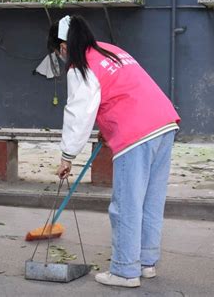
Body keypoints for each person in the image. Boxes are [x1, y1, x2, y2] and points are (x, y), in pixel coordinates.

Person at [49, 15, 180, 288]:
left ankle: (124, 270)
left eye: (57, 51)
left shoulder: (80, 66)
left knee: (127, 205)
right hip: (164, 123)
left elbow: (78, 113)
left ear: (62, 46)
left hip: (136, 133)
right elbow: (118, 91)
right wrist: (106, 126)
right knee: (150, 201)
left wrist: (67, 156)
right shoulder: (109, 50)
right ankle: (145, 263)